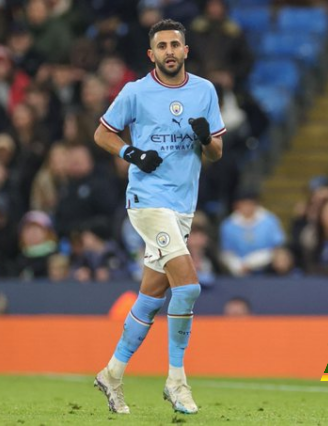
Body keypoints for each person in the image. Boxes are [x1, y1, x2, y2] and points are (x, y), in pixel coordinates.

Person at [92, 19, 225, 415]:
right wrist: (131, 153)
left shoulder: (205, 91)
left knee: (151, 297)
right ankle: (176, 380)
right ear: (151, 54)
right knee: (188, 287)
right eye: (161, 46)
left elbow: (217, 152)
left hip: (183, 206)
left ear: (186, 51)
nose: (169, 51)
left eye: (175, 44)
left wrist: (205, 139)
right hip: (147, 200)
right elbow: (102, 134)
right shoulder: (135, 92)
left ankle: (111, 374)